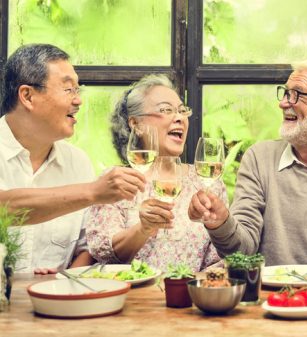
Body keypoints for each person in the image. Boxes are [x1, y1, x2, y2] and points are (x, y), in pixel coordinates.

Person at [188, 58, 307, 269]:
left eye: (297, 94)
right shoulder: (258, 159)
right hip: (266, 298)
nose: (283, 103)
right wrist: (220, 223)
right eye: (285, 93)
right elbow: (242, 252)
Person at [0, 44, 145, 274]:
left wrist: (63, 279)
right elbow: (4, 208)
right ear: (27, 96)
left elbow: (85, 248)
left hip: (55, 304)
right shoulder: (90, 188)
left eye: (79, 91)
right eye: (68, 90)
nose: (78, 101)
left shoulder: (78, 162)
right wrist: (92, 192)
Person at [84, 74, 224, 272]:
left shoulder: (207, 182)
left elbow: (220, 258)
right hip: (132, 298)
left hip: (189, 298)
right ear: (136, 124)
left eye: (182, 111)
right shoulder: (116, 181)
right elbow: (104, 254)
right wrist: (143, 229)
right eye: (166, 110)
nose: (179, 118)